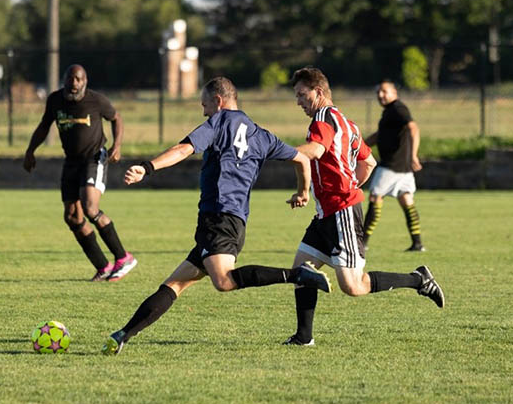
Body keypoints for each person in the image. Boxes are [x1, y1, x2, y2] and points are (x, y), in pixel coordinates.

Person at [102, 76, 330, 356]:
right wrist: (302, 191)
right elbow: (302, 158)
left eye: (205, 104)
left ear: (218, 101)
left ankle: (298, 275)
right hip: (234, 221)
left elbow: (183, 149)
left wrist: (147, 168)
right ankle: (123, 334)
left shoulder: (218, 123)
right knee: (175, 283)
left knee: (223, 281)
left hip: (218, 218)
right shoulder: (261, 134)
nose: (204, 111)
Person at [284, 67, 444, 346]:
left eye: (301, 94)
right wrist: (350, 185)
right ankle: (303, 337)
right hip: (328, 213)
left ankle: (419, 280)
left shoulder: (322, 119)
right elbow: (368, 162)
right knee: (302, 268)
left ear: (318, 92)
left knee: (354, 286)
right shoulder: (347, 123)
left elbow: (315, 151)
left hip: (341, 212)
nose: (298, 101)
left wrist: (278, 151)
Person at [24, 64, 137, 282]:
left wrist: (117, 145)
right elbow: (44, 125)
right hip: (71, 161)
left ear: (85, 81)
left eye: (78, 79)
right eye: (70, 79)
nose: (74, 84)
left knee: (90, 207)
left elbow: (116, 118)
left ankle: (124, 258)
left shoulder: (96, 101)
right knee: (72, 217)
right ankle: (103, 267)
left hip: (94, 158)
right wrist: (30, 151)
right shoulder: (55, 100)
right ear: (64, 80)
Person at [362, 79, 425, 252]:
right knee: (406, 200)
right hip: (402, 167)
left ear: (394, 93)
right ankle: (418, 243)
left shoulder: (398, 108)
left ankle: (363, 242)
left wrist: (413, 155)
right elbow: (379, 135)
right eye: (378, 92)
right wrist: (360, 147)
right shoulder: (389, 112)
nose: (380, 95)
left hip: (391, 165)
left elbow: (414, 128)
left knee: (375, 197)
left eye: (384, 91)